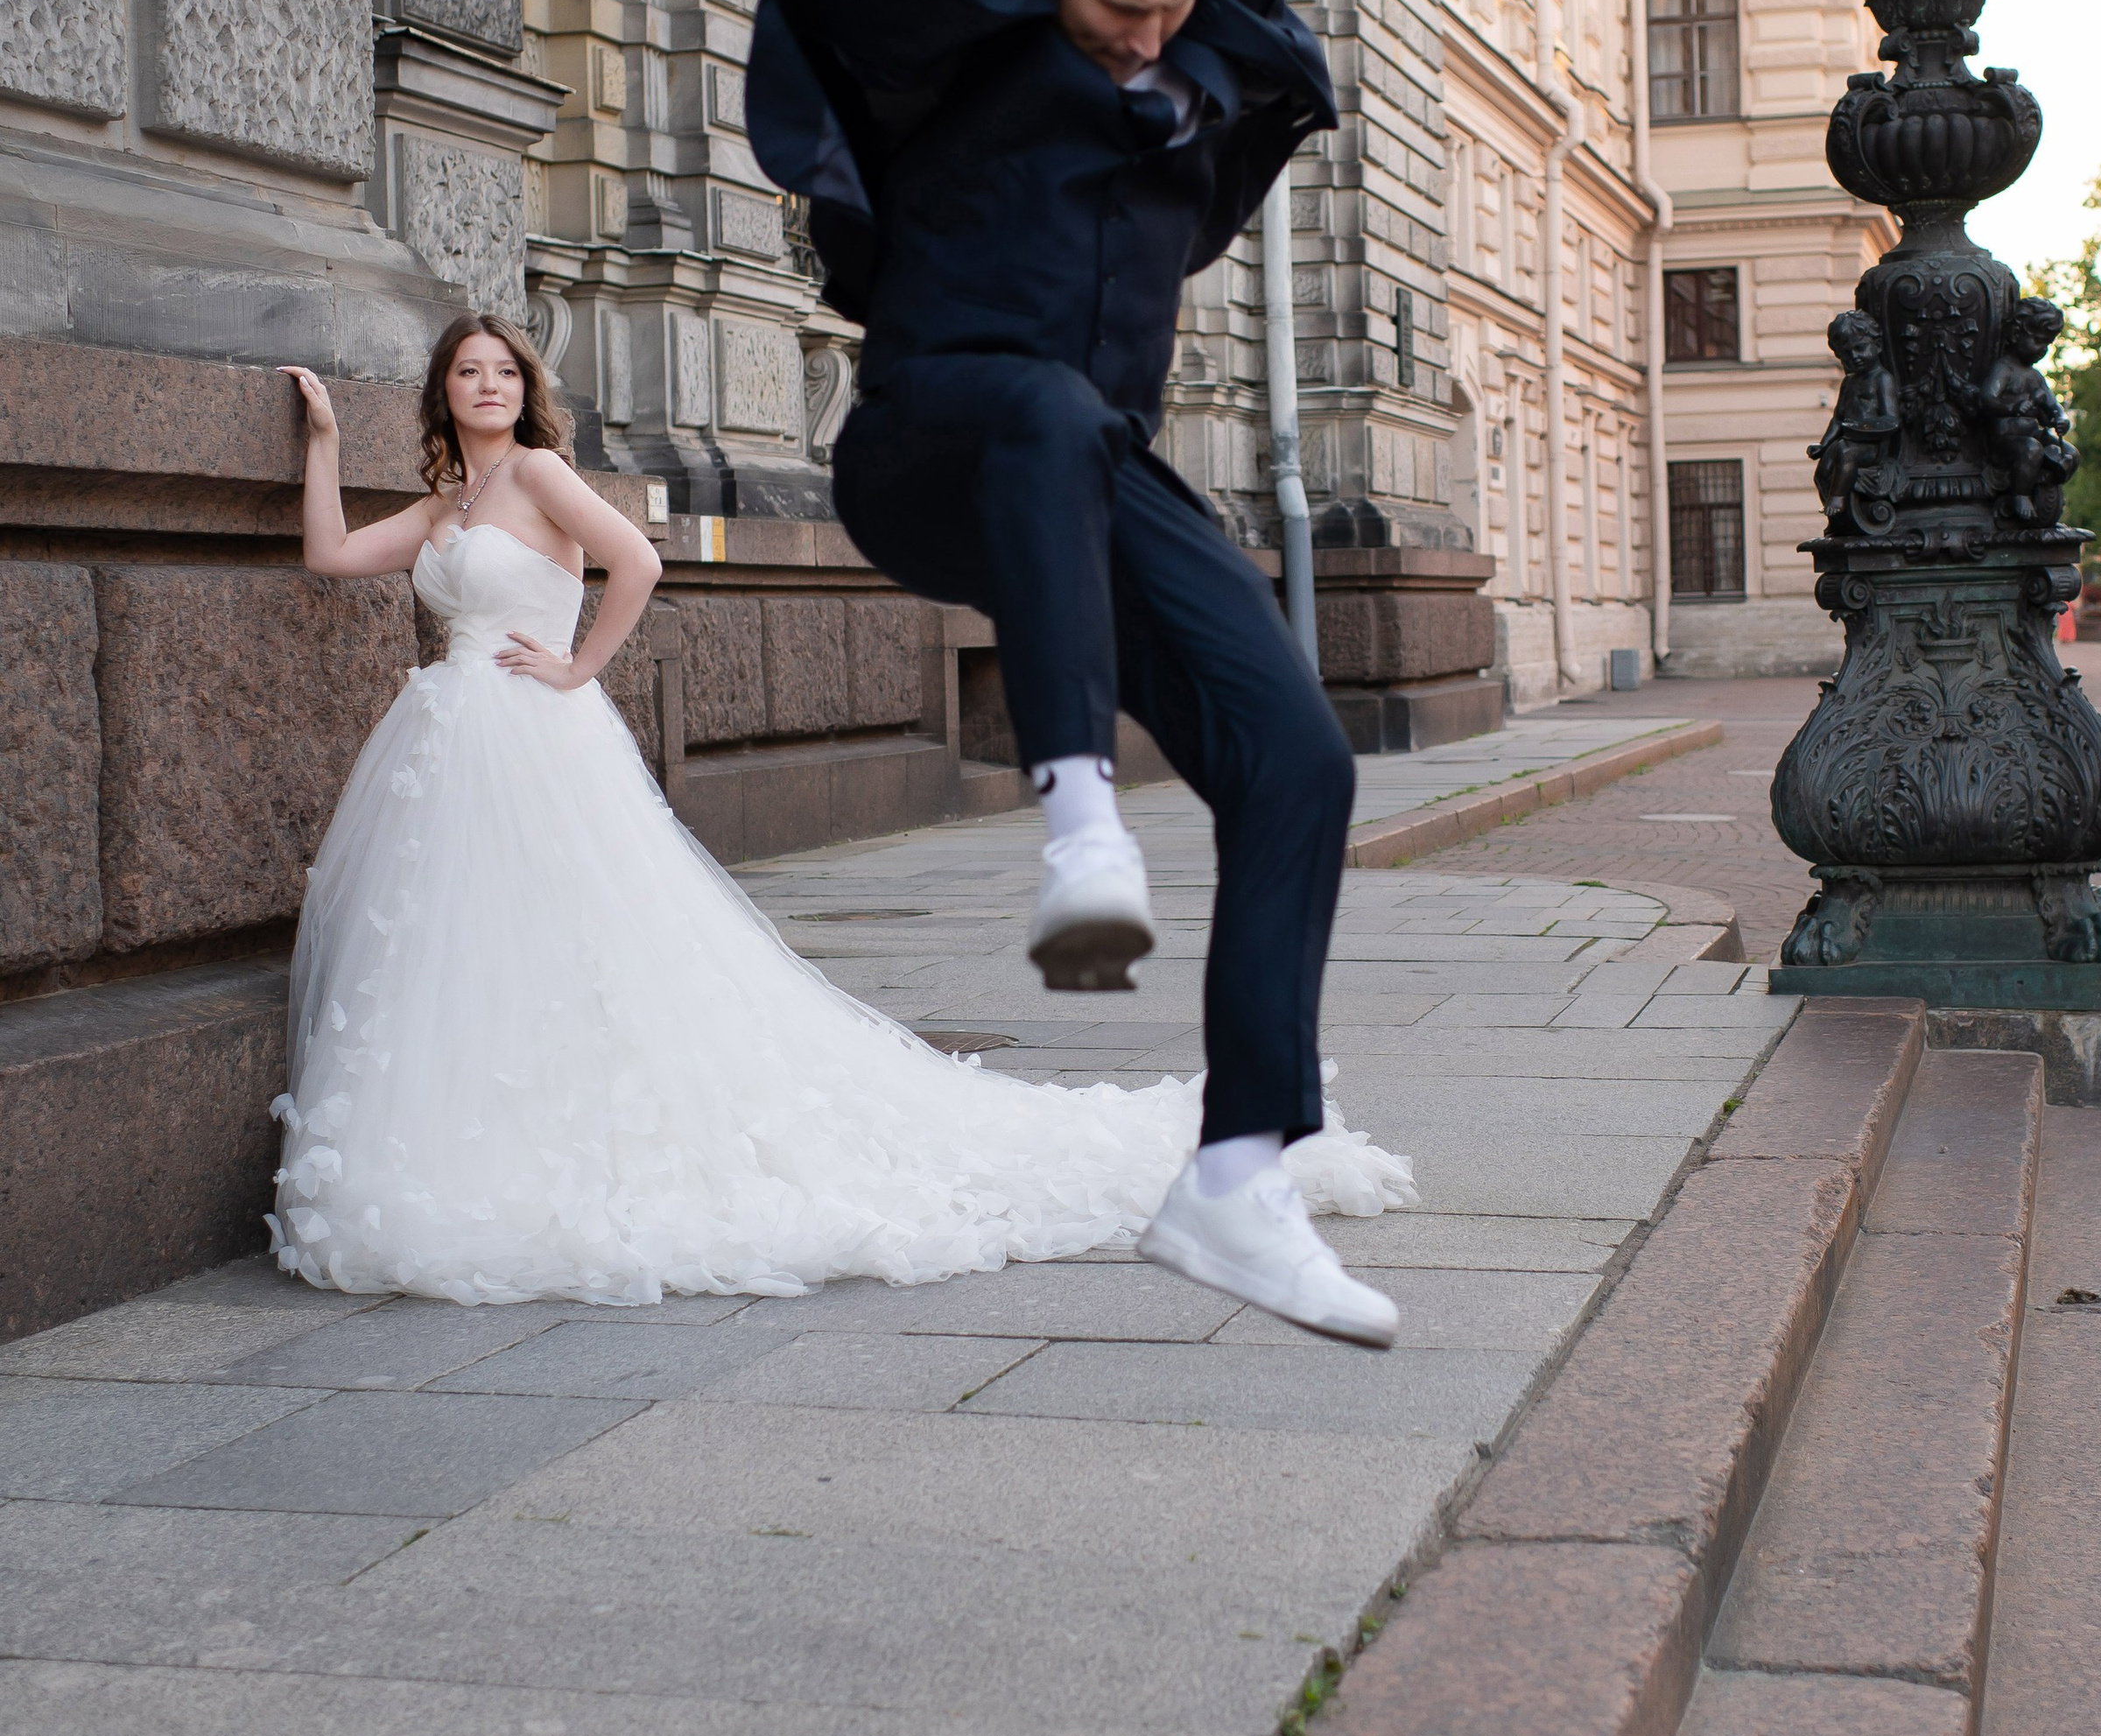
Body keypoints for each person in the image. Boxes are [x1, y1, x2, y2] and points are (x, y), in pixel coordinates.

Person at [749, 0, 1593, 1347]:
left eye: (1169, 7)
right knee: (1040, 408)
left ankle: (1233, 1179)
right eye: (1117, 12)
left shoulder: (1208, 8)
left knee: (1300, 762)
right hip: (932, 449)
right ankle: (1067, 813)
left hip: (1087, 471)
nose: (1147, 46)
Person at [267, 314, 1408, 1309]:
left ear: (523, 390)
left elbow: (638, 562)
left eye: (502, 373)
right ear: (444, 393)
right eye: (469, 374)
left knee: (590, 946)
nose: (488, 388)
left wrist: (577, 670)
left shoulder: (540, 476)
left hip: (535, 735)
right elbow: (327, 554)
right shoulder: (444, 504)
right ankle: (480, 1147)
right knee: (472, 956)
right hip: (449, 743)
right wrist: (321, 442)